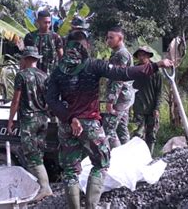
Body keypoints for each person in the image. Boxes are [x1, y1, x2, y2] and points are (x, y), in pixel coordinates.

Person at [46, 31, 173, 209]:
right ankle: (91, 206)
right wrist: (156, 65)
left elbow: (51, 99)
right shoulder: (93, 65)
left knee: (69, 171)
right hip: (89, 125)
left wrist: (70, 117)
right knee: (101, 162)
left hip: (67, 126)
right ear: (86, 46)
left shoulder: (58, 71)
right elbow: (125, 73)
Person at [6, 46, 52, 201]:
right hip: (43, 119)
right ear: (36, 59)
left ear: (25, 59)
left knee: (32, 155)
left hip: (29, 120)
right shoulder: (44, 75)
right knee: (38, 152)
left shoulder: (22, 76)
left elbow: (16, 100)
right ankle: (36, 188)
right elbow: (49, 99)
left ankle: (45, 188)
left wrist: (10, 120)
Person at [104, 26, 134, 148]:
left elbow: (118, 79)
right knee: (122, 128)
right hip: (123, 97)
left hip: (119, 98)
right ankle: (127, 156)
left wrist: (110, 101)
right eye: (108, 37)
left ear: (120, 38)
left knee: (109, 128)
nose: (108, 40)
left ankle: (116, 157)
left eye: (112, 37)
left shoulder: (121, 54)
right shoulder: (117, 53)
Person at [132, 46, 163, 154]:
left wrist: (157, 108)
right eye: (139, 55)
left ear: (149, 56)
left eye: (144, 55)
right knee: (138, 134)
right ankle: (137, 156)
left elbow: (159, 91)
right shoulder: (134, 70)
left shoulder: (155, 72)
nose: (141, 57)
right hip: (138, 107)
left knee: (151, 135)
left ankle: (149, 156)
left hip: (151, 108)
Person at [24, 10, 64, 76]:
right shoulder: (30, 37)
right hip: (34, 76)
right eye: (45, 22)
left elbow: (61, 56)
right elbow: (25, 57)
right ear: (38, 22)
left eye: (49, 22)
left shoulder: (56, 37)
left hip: (52, 75)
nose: (47, 25)